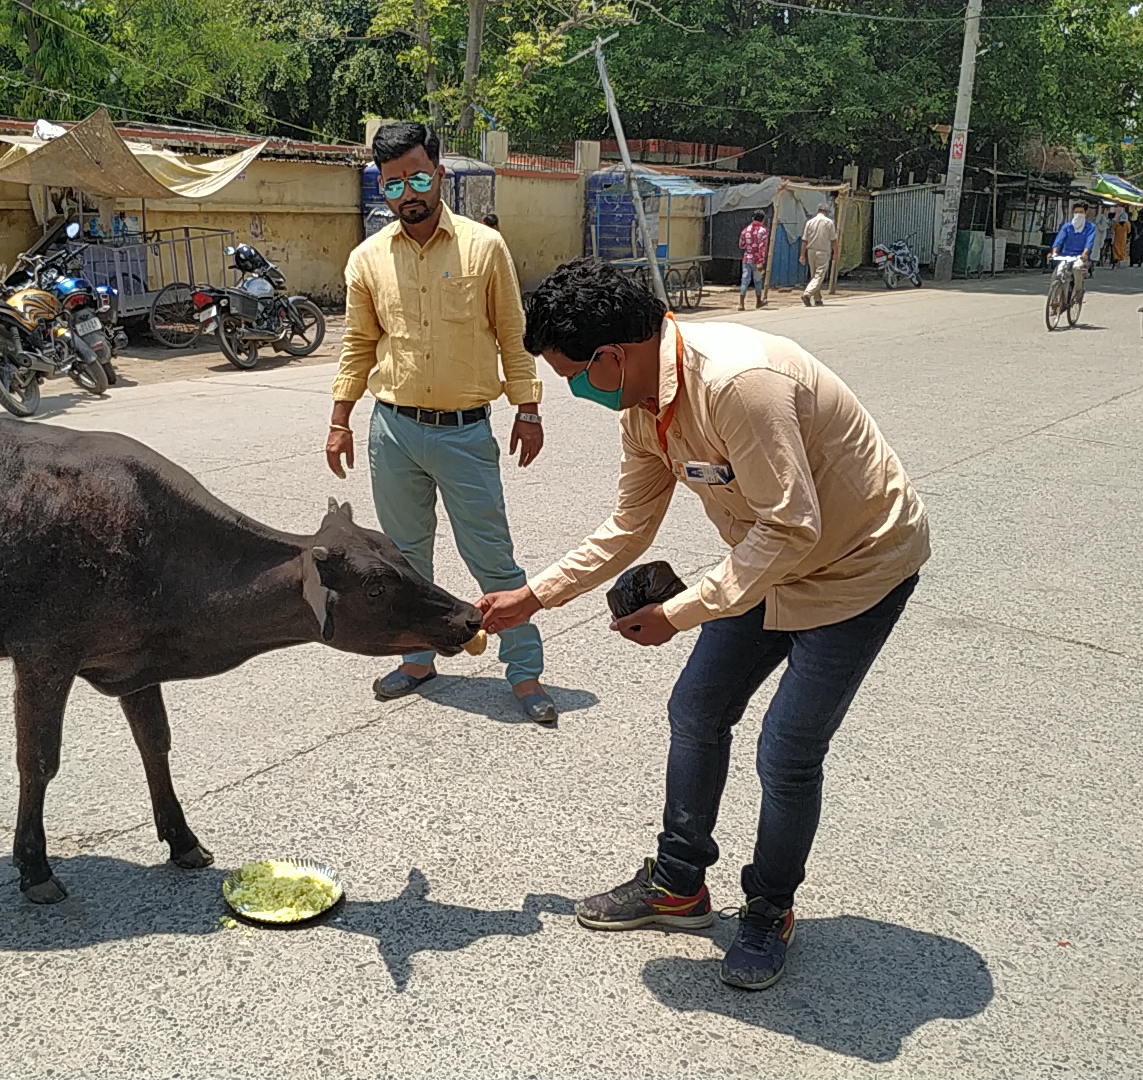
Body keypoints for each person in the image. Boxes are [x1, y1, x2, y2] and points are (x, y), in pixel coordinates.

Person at [479, 258, 929, 990]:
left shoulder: (738, 386)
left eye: (571, 376)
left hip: (855, 570)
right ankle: (680, 884)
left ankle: (769, 908)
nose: (573, 391)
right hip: (768, 561)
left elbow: (791, 527)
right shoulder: (641, 407)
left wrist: (681, 614)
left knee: (786, 750)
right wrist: (534, 598)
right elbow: (630, 526)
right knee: (697, 709)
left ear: (610, 357)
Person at [326, 120, 558, 725]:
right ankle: (419, 655)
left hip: (463, 430)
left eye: (419, 177)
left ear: (441, 176)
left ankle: (526, 670)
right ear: (383, 185)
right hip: (393, 431)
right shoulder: (367, 260)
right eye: (394, 182)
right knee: (404, 558)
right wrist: (340, 418)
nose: (408, 192)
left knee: (492, 557)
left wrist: (528, 407)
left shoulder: (484, 247)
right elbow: (357, 343)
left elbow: (513, 334)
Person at [1048, 199, 1097, 307]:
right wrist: (1054, 252)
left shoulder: (1090, 227)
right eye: (1076, 212)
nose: (1078, 214)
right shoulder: (1067, 226)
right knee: (1058, 274)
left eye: (1081, 212)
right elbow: (1059, 240)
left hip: (1080, 256)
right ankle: (1055, 299)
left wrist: (1085, 253)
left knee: (1077, 268)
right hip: (1066, 255)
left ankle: (1078, 291)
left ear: (1085, 213)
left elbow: (1089, 242)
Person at [799, 202, 837, 307]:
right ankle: (807, 293)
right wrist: (835, 254)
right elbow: (833, 240)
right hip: (823, 252)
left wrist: (802, 254)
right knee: (819, 276)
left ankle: (817, 299)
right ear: (826, 212)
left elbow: (804, 240)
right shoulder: (829, 222)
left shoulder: (810, 222)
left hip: (810, 251)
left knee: (814, 276)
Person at [737, 211, 770, 310]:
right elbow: (762, 247)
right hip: (757, 260)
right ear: (763, 220)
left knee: (745, 280)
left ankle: (741, 304)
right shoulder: (763, 231)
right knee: (758, 280)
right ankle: (758, 302)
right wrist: (761, 260)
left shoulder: (745, 230)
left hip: (747, 259)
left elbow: (741, 245)